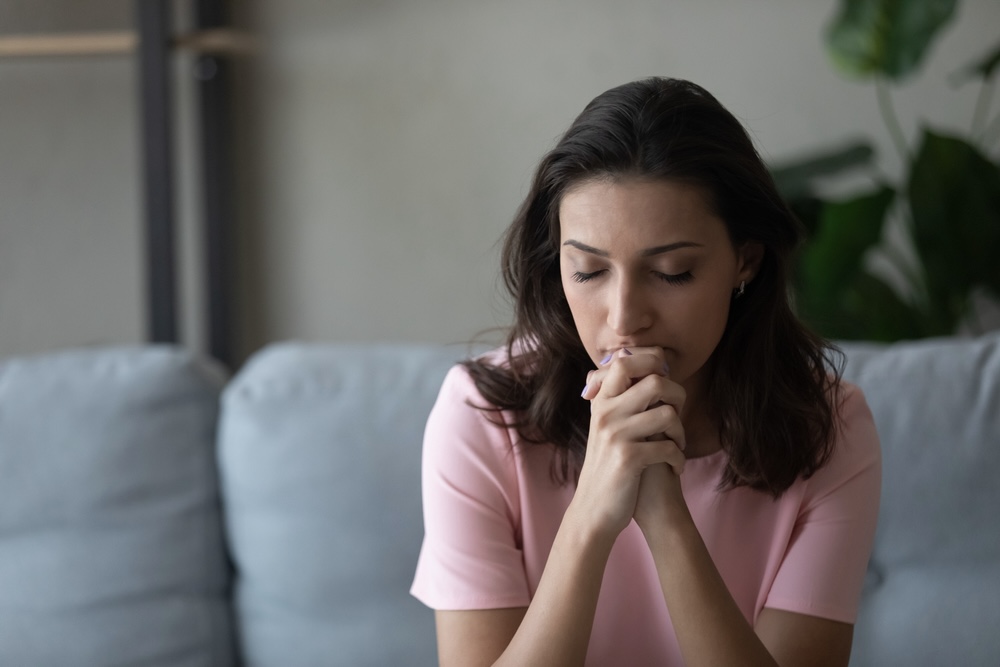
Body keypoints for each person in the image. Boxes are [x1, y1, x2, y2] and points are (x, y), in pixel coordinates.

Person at [410, 77, 881, 666]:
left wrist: (664, 514)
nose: (625, 318)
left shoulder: (828, 426)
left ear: (746, 262)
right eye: (587, 271)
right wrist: (589, 518)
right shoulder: (482, 417)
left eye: (673, 272)